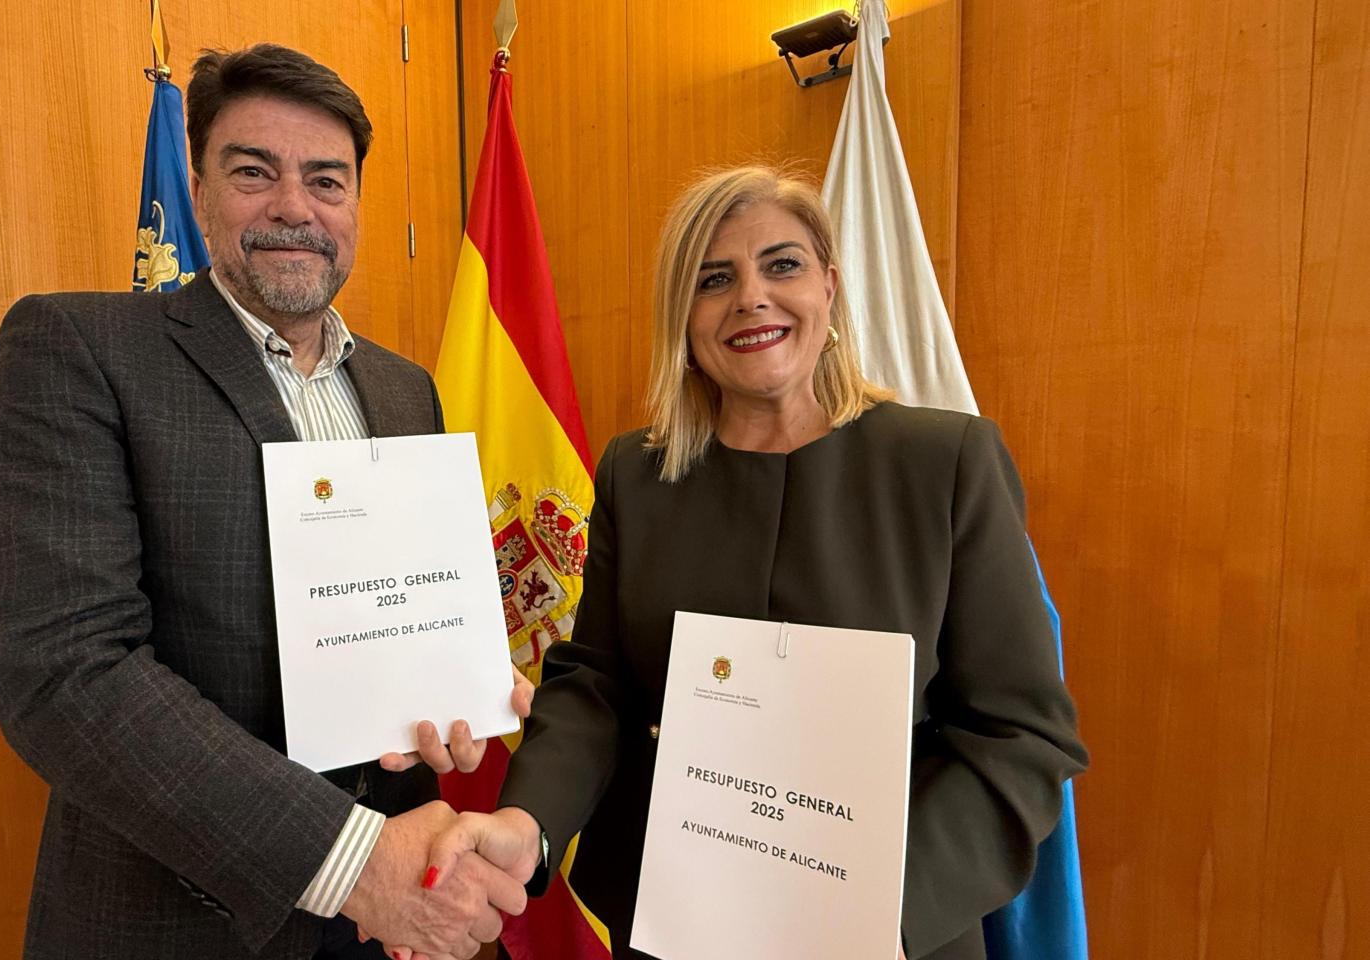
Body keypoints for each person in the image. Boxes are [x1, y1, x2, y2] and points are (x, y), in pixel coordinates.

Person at [418, 166, 1090, 960]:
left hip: (888, 936)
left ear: (830, 289)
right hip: (678, 926)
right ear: (686, 319)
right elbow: (596, 686)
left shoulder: (946, 463)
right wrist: (524, 823)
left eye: (783, 264)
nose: (752, 298)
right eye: (714, 279)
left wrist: (874, 913)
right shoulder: (639, 473)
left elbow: (1018, 735)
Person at [0, 43, 530, 960]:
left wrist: (452, 689)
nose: (294, 208)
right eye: (254, 172)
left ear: (355, 204)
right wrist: (355, 862)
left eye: (326, 180)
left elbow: (395, 620)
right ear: (197, 187)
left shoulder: (403, 388)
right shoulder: (76, 348)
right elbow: (65, 676)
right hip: (183, 915)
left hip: (395, 908)